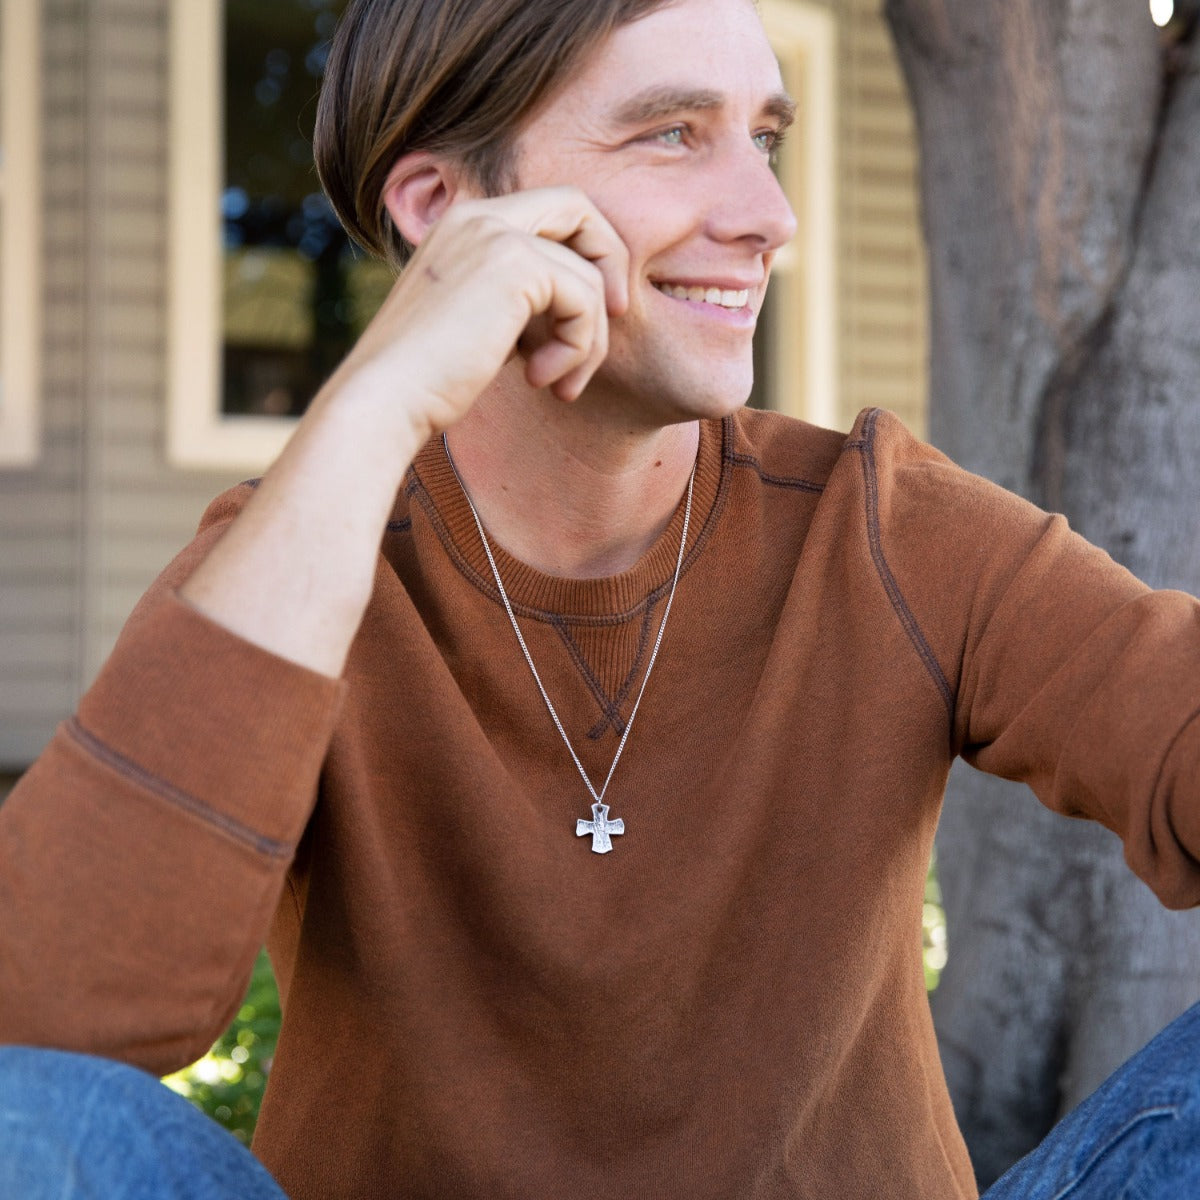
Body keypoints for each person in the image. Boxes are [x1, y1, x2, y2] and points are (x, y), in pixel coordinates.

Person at [2, 0, 1200, 1196]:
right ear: (442, 206)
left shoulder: (880, 529)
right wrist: (372, 409)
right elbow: (49, 1031)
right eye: (673, 133)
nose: (768, 216)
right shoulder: (294, 560)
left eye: (763, 139)